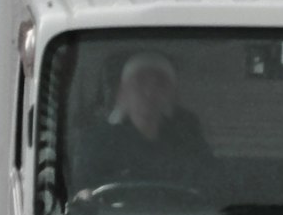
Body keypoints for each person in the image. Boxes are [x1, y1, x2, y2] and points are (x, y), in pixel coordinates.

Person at [65, 51, 218, 199]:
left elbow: (208, 186)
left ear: (171, 94)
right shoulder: (96, 142)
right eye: (140, 82)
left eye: (160, 84)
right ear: (122, 93)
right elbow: (81, 192)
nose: (149, 92)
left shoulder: (188, 140)